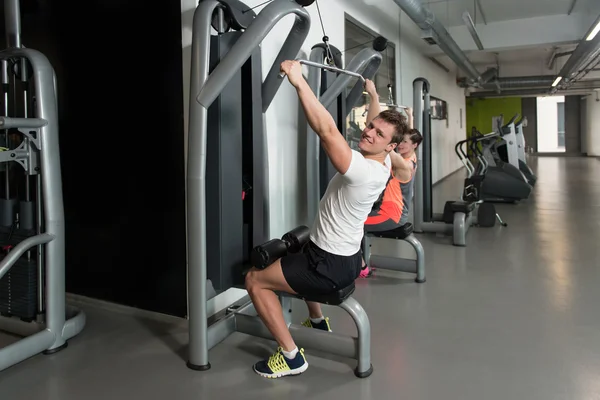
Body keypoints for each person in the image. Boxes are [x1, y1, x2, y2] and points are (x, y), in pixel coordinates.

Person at [244, 67, 408, 379]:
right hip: (343, 257)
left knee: (255, 279)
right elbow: (379, 123)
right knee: (300, 252)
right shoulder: (384, 160)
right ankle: (318, 323)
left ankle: (291, 357)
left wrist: (298, 80)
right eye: (370, 127)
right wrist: (373, 96)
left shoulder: (361, 170)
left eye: (378, 134)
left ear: (389, 146)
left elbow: (327, 131)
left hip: (329, 265)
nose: (369, 132)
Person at [359, 80, 423, 278]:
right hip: (390, 211)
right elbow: (405, 137)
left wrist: (374, 97)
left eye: (404, 143)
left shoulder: (404, 165)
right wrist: (410, 116)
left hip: (391, 216)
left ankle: (361, 267)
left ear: (414, 146)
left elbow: (385, 146)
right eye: (400, 142)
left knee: (352, 223)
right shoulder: (410, 156)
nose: (401, 145)